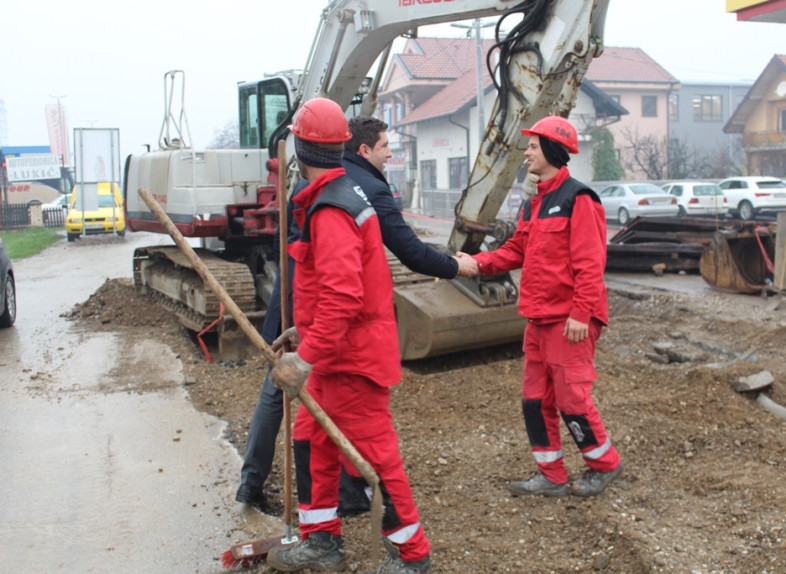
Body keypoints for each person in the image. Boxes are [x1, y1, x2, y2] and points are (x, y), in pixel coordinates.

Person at [236, 115, 465, 514]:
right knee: (317, 430)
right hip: (321, 330)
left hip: (327, 335)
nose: (390, 152)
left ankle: (401, 546)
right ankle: (333, 522)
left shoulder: (324, 196)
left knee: (308, 414)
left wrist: (305, 342)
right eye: (384, 145)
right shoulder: (342, 194)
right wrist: (303, 332)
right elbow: (342, 280)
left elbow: (334, 286)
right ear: (357, 148)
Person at [265, 97, 432, 573]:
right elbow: (334, 291)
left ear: (299, 149)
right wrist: (304, 330)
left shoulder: (331, 209)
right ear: (342, 148)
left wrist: (305, 356)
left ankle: (411, 554)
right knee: (309, 437)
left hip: (352, 358)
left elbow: (344, 298)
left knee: (377, 458)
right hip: (338, 353)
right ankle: (322, 540)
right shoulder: (338, 196)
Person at [455, 115, 622, 498]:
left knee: (572, 399)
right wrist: (474, 262)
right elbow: (516, 250)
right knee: (534, 399)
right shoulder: (533, 204)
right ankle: (551, 475)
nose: (526, 152)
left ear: (550, 149)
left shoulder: (579, 199)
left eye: (533, 146)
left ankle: (605, 464)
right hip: (539, 319)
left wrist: (582, 312)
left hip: (569, 321)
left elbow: (591, 263)